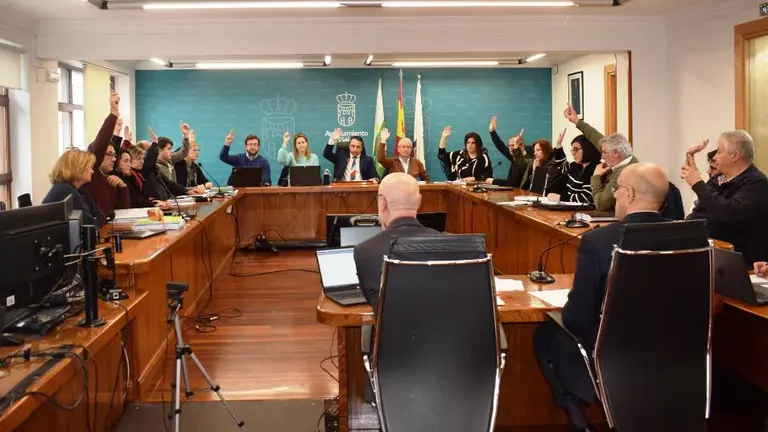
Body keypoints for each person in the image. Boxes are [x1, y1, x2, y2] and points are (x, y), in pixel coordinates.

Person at [533, 163, 670, 432]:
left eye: (617, 189)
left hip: (613, 354)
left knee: (546, 336)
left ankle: (581, 423)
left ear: (628, 194)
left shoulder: (599, 241)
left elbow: (577, 319)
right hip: (675, 352)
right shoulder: (690, 237)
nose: (615, 195)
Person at [353, 173, 439, 315]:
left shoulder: (365, 251)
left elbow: (373, 302)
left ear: (382, 203)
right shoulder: (449, 244)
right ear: (419, 202)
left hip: (391, 336)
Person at [682, 131, 768, 264]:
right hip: (710, 256)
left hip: (743, 262)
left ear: (735, 156)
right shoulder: (717, 179)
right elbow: (701, 212)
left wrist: (699, 184)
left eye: (719, 152)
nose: (715, 157)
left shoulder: (757, 182)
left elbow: (729, 213)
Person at [80, 92, 131, 217]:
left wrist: (122, 187)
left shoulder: (110, 179)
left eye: (114, 155)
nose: (113, 159)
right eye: (108, 154)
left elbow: (124, 212)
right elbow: (100, 144)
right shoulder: (90, 175)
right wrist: (113, 113)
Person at [42, 149, 104, 227]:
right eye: (90, 167)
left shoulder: (80, 189)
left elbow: (98, 216)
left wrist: (97, 220)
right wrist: (96, 220)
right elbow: (90, 224)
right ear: (78, 168)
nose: (92, 171)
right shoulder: (65, 191)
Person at [548, 128, 601, 203]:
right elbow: (562, 166)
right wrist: (558, 144)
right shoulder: (576, 165)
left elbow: (586, 198)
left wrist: (560, 197)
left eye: (576, 149)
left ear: (588, 149)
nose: (573, 153)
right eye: (572, 150)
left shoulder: (595, 169)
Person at [486, 116, 531, 187]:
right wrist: (492, 131)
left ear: (522, 145)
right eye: (509, 145)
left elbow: (512, 183)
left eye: (513, 145)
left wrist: (493, 181)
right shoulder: (515, 157)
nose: (510, 148)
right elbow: (501, 146)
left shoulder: (527, 160)